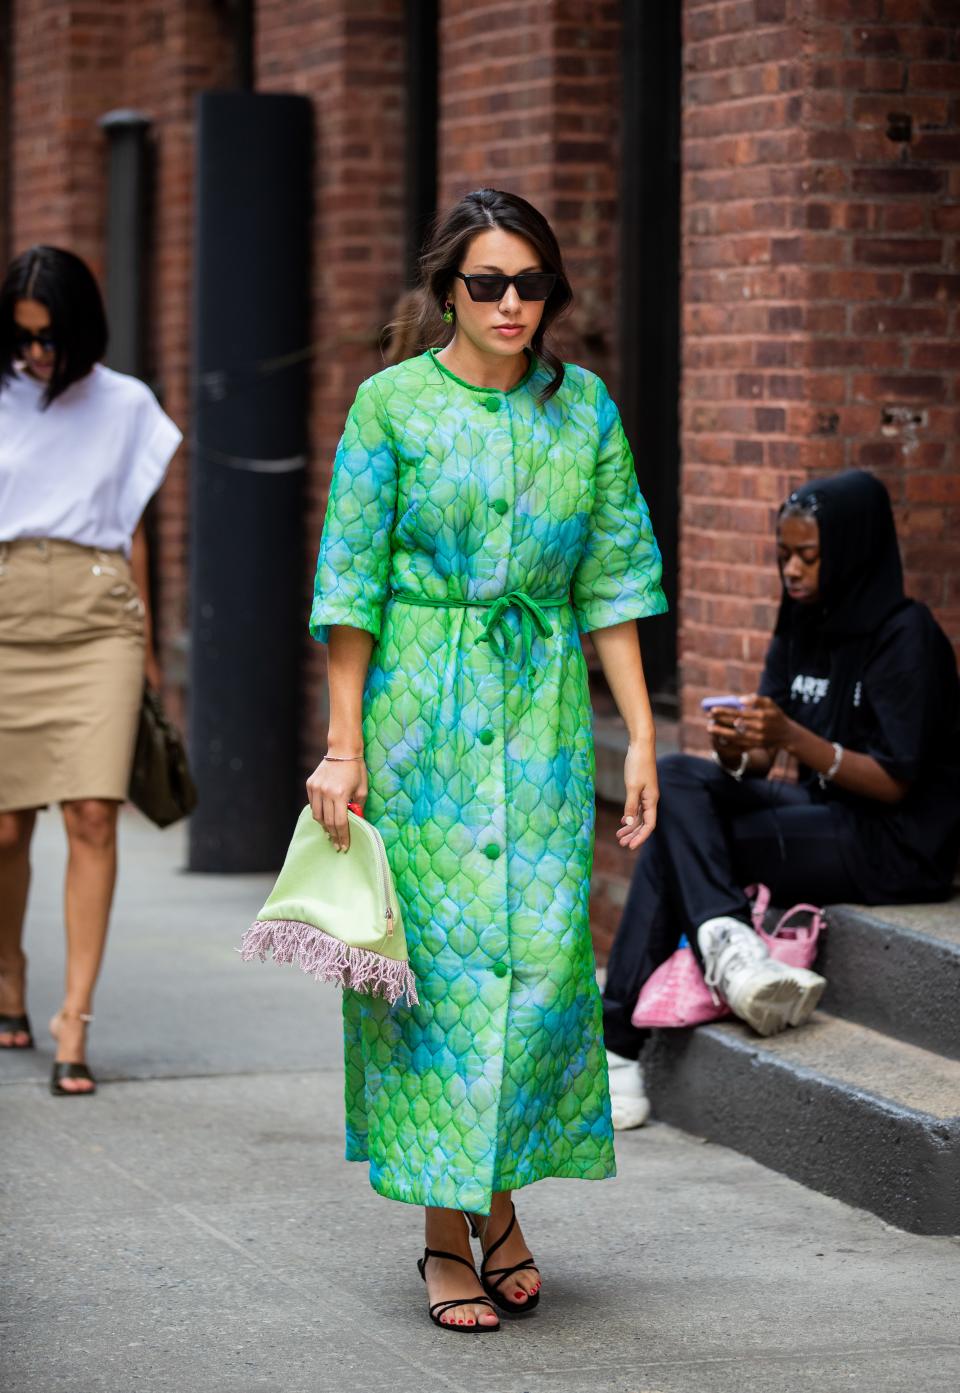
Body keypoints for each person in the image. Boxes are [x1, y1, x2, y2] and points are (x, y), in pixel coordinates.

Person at [306, 188, 667, 1332]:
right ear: (446, 291)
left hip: (544, 723)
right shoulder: (389, 408)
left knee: (538, 972)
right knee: (440, 981)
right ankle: (444, 1237)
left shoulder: (587, 411)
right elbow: (350, 587)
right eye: (488, 284)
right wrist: (342, 745)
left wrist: (645, 734)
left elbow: (612, 582)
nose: (513, 305)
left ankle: (497, 1203)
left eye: (531, 284)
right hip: (421, 713)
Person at [603, 469, 960, 1130]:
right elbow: (765, 755)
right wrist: (742, 744)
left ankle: (617, 1043)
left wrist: (794, 736)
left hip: (896, 843)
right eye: (783, 555)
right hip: (823, 812)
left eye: (807, 556)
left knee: (676, 844)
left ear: (851, 551)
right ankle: (729, 942)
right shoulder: (801, 618)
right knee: (680, 778)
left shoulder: (907, 636)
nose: (792, 571)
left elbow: (896, 780)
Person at [0, 246, 182, 1094]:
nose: (37, 354)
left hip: (97, 617)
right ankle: (10, 971)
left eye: (51, 339)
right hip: (5, 613)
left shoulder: (126, 404)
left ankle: (75, 1017)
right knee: (4, 826)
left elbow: (137, 529)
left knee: (93, 817)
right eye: (24, 337)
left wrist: (145, 650)